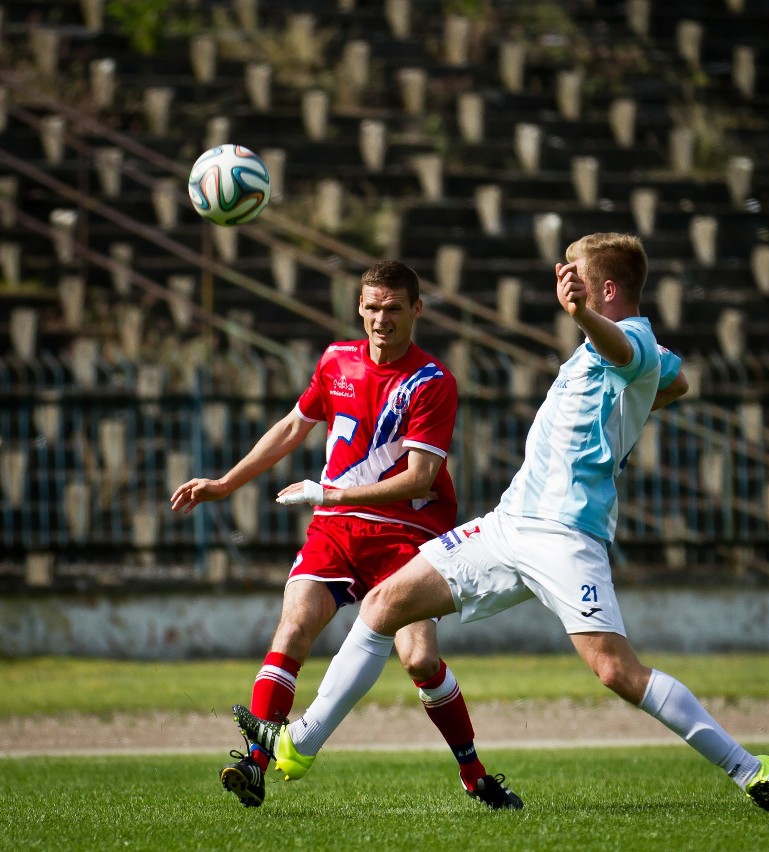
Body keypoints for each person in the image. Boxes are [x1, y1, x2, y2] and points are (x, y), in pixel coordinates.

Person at [232, 233, 769, 815]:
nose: (566, 281)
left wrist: (582, 317)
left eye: (577, 276)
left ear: (605, 289)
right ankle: (299, 745)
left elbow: (635, 359)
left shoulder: (628, 339)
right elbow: (676, 381)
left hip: (565, 535)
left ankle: (752, 769)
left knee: (615, 671)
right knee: (384, 605)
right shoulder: (619, 355)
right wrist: (630, 402)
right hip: (508, 524)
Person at [170, 260, 522, 810]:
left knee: (420, 659)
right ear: (359, 306)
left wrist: (329, 493)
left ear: (416, 311)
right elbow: (292, 427)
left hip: (407, 535)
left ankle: (474, 773)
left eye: (394, 308)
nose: (381, 320)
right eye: (372, 307)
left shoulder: (432, 382)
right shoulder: (335, 360)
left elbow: (420, 479)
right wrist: (225, 483)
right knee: (292, 630)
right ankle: (257, 765)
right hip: (335, 532)